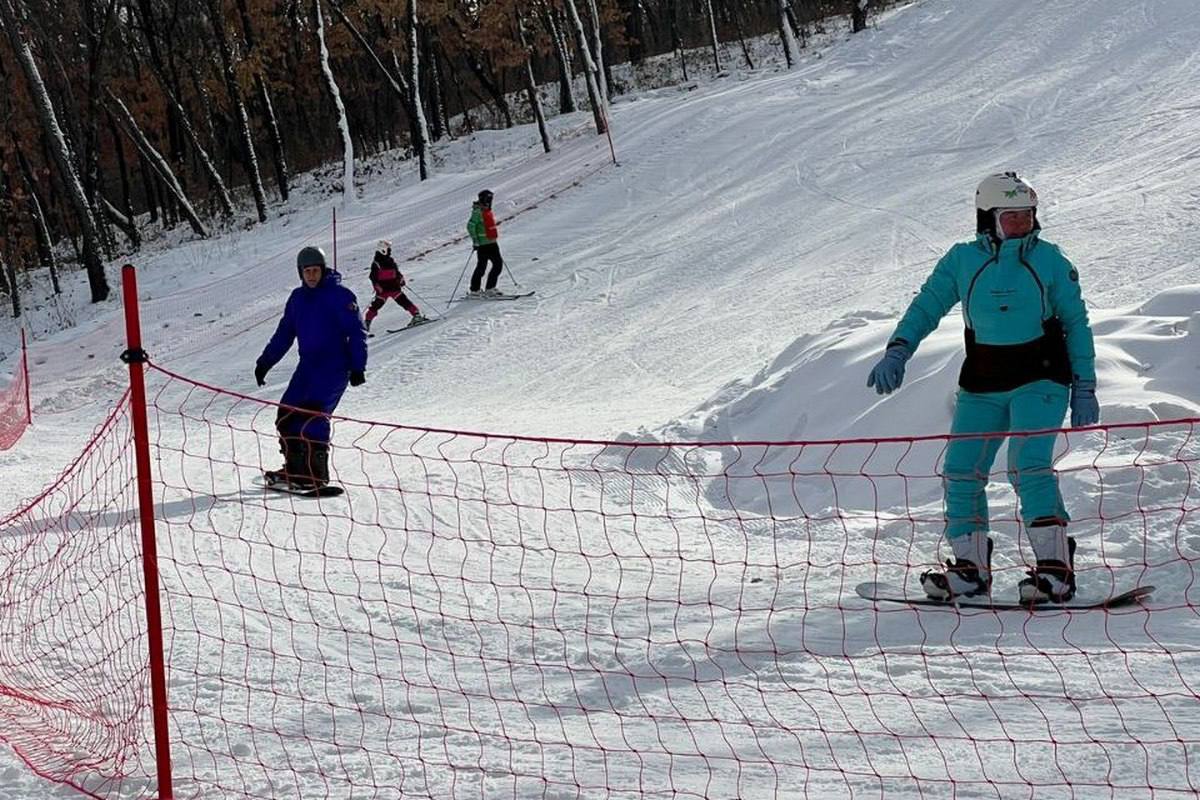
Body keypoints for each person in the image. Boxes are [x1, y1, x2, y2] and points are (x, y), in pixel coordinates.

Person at [866, 172, 1099, 603]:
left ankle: (1056, 569)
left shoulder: (1050, 260)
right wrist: (899, 349)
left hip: (1042, 375)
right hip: (984, 380)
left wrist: (1085, 385)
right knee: (961, 470)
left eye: (1028, 216)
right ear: (987, 219)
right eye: (1011, 218)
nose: (1022, 225)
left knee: (1027, 464)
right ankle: (971, 570)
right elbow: (927, 305)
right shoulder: (961, 261)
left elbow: (1076, 323)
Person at [255, 246, 368, 488]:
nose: (312, 276)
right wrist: (265, 362)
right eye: (307, 272)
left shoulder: (340, 296)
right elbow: (285, 333)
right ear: (300, 273)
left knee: (312, 416)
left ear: (323, 270)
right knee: (286, 415)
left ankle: (315, 475)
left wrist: (358, 366)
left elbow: (356, 332)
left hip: (334, 366)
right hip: (307, 366)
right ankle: (295, 470)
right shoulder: (298, 298)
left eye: (316, 270)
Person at [364, 239, 426, 333]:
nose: (390, 250)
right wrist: (377, 286)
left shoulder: (391, 261)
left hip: (394, 288)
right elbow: (373, 277)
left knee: (404, 301)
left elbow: (396, 272)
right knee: (375, 306)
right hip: (384, 290)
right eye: (388, 248)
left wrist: (401, 279)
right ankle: (366, 325)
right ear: (383, 249)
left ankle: (417, 316)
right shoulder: (376, 263)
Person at [467, 189, 504, 297]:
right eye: (488, 199)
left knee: (496, 265)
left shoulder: (487, 210)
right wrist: (475, 241)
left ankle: (488, 288)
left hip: (491, 242)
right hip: (483, 244)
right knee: (483, 267)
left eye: (490, 199)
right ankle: (475, 290)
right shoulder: (478, 212)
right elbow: (470, 226)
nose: (490, 201)